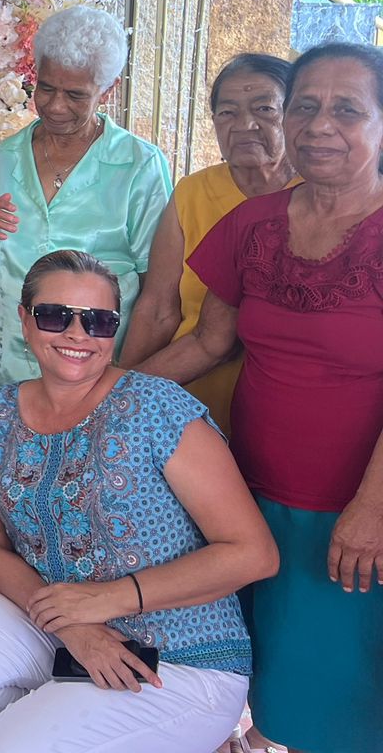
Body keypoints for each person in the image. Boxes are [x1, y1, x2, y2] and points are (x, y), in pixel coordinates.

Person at [0, 249, 279, 752]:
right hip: (66, 626)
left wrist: (108, 600)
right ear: (24, 319)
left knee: (8, 745)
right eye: (55, 315)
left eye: (98, 321)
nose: (77, 334)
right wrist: (74, 627)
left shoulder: (156, 406)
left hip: (183, 654)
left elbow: (254, 553)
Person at [140, 42, 383, 753]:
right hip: (246, 498)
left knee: (340, 697)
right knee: (262, 677)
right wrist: (103, 395)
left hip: (356, 509)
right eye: (305, 106)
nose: (319, 126)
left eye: (347, 110)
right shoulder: (252, 225)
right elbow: (209, 343)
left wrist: (372, 508)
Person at [0, 4, 171, 394]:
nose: (56, 107)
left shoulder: (138, 167)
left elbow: (157, 297)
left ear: (109, 89)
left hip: (95, 374)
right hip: (5, 370)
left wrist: (120, 385)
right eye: (46, 88)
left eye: (75, 94)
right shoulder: (3, 161)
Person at [122, 54, 296, 433]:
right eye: (227, 112)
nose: (245, 124)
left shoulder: (318, 198)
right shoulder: (192, 192)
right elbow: (158, 307)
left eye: (265, 108)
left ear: (295, 114)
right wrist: (119, 392)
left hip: (286, 409)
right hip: (188, 402)